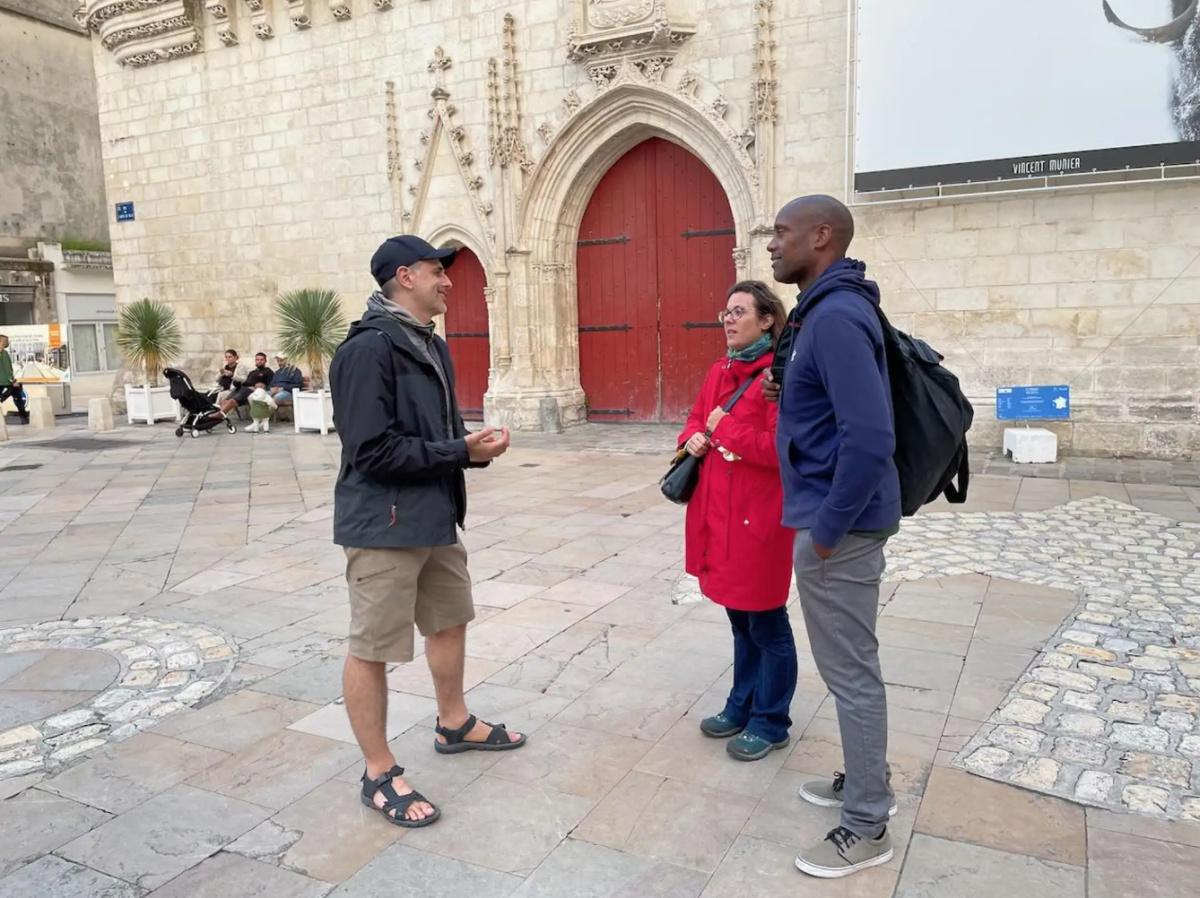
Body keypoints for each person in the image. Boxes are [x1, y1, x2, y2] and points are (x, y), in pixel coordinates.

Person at [330, 234, 522, 829]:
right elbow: (371, 451)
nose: (448, 281)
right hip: (385, 524)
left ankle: (453, 721)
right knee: (374, 647)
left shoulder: (428, 344)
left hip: (434, 515)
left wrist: (470, 452)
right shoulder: (367, 350)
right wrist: (457, 451)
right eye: (438, 272)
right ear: (405, 277)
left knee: (449, 617)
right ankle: (378, 770)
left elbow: (433, 435)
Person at [768, 195, 901, 879]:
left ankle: (867, 823)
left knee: (851, 672)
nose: (772, 245)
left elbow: (871, 437)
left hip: (839, 526)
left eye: (783, 233)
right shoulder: (825, 311)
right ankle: (865, 778)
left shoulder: (839, 316)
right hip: (833, 517)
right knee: (852, 667)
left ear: (823, 237)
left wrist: (826, 531)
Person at [679, 281, 798, 762]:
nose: (728, 320)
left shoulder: (779, 377)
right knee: (738, 620)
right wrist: (692, 439)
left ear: (767, 319)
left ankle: (771, 720)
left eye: (739, 312)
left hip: (760, 519)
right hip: (718, 515)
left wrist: (722, 428)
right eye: (724, 312)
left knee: (767, 622)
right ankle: (741, 704)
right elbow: (693, 420)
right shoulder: (718, 371)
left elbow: (779, 450)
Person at [0, 335, 29, 424]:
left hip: (6, 381)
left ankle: (24, 417)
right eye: (6, 341)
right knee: (16, 394)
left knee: (17, 395)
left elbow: (8, 368)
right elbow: (7, 368)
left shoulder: (4, 353)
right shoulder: (3, 353)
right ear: (2, 342)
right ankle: (24, 417)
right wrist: (12, 380)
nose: (8, 342)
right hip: (5, 382)